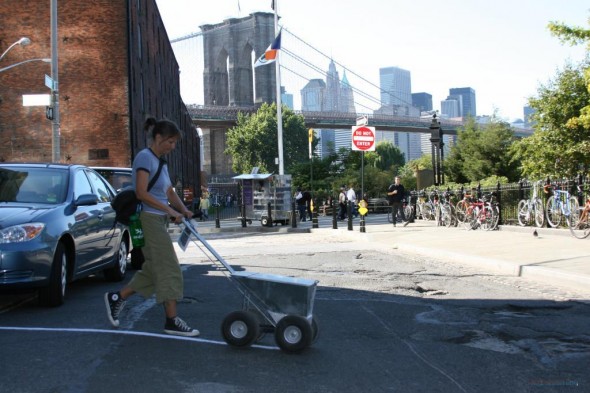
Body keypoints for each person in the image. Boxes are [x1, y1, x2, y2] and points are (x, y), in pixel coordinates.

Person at [104, 117, 199, 337]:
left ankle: (117, 297)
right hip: (147, 219)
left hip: (158, 220)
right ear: (158, 137)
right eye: (170, 142)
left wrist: (183, 210)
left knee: (154, 268)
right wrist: (170, 211)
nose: (173, 147)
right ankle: (171, 320)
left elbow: (169, 193)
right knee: (169, 268)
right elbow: (141, 193)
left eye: (175, 143)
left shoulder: (161, 163)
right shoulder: (145, 158)